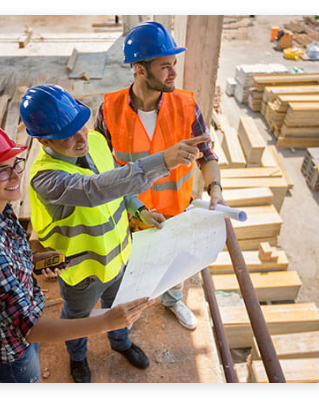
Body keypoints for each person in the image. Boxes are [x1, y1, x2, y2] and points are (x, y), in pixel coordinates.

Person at [19, 84, 209, 383]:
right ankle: (78, 358)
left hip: (121, 256)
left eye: (80, 126)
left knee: (120, 308)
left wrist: (139, 209)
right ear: (44, 140)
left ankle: (121, 343)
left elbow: (114, 181)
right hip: (83, 270)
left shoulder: (94, 141)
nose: (81, 138)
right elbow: (95, 190)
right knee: (77, 319)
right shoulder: (46, 178)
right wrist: (162, 161)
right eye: (68, 135)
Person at [0, 120, 154, 384]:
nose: (15, 176)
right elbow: (29, 329)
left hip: (114, 260)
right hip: (10, 348)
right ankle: (78, 357)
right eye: (2, 171)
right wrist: (106, 323)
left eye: (15, 165)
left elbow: (3, 265)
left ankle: (120, 342)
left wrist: (31, 261)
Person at [95, 21, 226, 331]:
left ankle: (172, 299)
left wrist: (216, 189)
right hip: (129, 213)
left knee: (175, 265)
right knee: (131, 269)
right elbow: (101, 167)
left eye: (174, 65)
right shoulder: (109, 108)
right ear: (140, 70)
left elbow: (207, 155)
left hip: (176, 210)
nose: (173, 73)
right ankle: (128, 313)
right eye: (165, 66)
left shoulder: (186, 105)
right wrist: (132, 206)